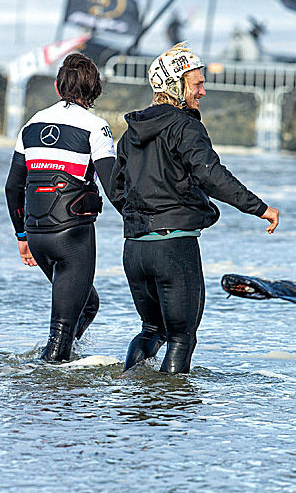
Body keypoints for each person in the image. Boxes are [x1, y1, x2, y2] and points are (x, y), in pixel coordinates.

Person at [109, 42, 280, 374]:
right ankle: (172, 413)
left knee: (151, 331)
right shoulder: (186, 126)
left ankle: (132, 396)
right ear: (176, 86)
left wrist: (143, 219)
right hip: (174, 248)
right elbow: (210, 175)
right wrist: (258, 208)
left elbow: (117, 188)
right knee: (181, 338)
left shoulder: (129, 135)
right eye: (197, 84)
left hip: (134, 250)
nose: (203, 91)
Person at [4, 53, 119, 363]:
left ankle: (63, 375)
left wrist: (22, 236)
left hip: (39, 236)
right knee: (60, 333)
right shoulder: (97, 128)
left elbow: (13, 187)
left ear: (57, 87)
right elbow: (113, 188)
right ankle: (52, 389)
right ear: (95, 90)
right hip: (72, 238)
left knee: (88, 303)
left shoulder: (31, 124)